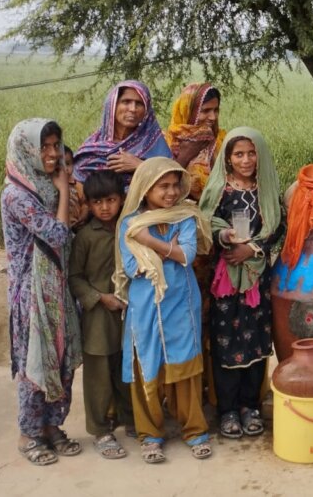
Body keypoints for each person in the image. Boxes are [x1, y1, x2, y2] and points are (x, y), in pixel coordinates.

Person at [114, 157, 213, 464]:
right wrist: (167, 247)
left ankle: (195, 432)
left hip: (182, 304)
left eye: (175, 186)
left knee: (185, 367)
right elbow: (132, 268)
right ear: (145, 189)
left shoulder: (184, 216)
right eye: (163, 186)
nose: (171, 193)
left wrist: (149, 243)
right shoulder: (128, 223)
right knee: (148, 366)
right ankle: (150, 436)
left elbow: (188, 255)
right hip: (146, 307)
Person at [1, 118, 83, 466]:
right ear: (26, 150)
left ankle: (52, 427)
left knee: (60, 359)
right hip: (31, 293)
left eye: (55, 146)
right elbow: (58, 234)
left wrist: (61, 190)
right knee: (35, 362)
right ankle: (29, 434)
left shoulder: (43, 186)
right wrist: (65, 189)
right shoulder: (17, 194)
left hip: (58, 286)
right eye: (44, 147)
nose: (51, 154)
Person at [198, 128, 286, 440]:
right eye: (239, 154)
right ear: (228, 158)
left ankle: (251, 406)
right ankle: (228, 410)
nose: (246, 160)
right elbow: (205, 220)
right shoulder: (220, 190)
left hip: (259, 279)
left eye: (251, 153)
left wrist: (252, 248)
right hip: (226, 279)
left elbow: (277, 226)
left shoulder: (267, 190)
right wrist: (224, 236)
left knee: (257, 339)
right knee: (226, 340)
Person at [67, 170, 133, 459]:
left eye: (110, 200)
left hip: (129, 312)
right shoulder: (85, 237)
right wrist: (99, 298)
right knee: (98, 375)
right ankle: (100, 429)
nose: (104, 207)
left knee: (126, 369)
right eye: (97, 202)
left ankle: (130, 419)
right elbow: (75, 277)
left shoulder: (130, 230)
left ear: (121, 200)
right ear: (89, 205)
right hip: (97, 316)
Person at [73, 81, 172, 188]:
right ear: (112, 106)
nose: (133, 109)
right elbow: (77, 176)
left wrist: (140, 166)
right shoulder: (93, 145)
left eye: (139, 103)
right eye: (126, 102)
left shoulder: (154, 142)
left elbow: (172, 177)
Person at [164, 82, 225, 201]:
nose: (213, 117)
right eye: (205, 111)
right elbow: (161, 183)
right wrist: (186, 155)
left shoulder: (222, 140)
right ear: (188, 110)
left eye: (215, 110)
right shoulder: (167, 141)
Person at [63, 145, 88, 228]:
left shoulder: (77, 186)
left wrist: (83, 215)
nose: (65, 169)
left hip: (77, 225)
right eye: (60, 165)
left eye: (68, 164)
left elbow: (85, 204)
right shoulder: (49, 187)